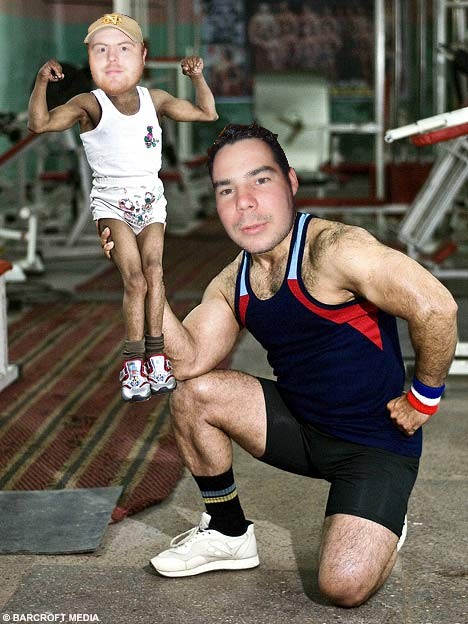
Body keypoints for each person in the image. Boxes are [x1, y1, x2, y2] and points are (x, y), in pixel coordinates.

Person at [100, 123, 458, 607]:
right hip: (299, 427)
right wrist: (142, 278)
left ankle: (385, 521)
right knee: (193, 392)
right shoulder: (234, 280)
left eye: (260, 180)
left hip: (374, 445)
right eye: (226, 190)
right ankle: (227, 532)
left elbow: (437, 308)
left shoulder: (336, 249)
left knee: (342, 587)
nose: (244, 203)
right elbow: (187, 361)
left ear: (290, 182)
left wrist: (423, 398)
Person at [28, 13, 218, 402]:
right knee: (135, 280)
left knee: (155, 273)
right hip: (112, 203)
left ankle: (157, 357)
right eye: (102, 51)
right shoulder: (88, 104)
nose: (112, 59)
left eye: (123, 49)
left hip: (151, 201)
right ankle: (133, 365)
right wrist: (42, 81)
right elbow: (39, 124)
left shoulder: (155, 99)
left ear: (142, 56)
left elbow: (207, 113)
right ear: (92, 60)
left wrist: (197, 77)